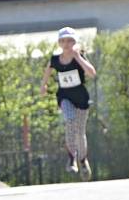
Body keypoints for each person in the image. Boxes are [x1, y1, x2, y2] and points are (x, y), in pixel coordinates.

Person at [40, 26, 97, 181]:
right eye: (63, 41)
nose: (66, 44)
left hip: (81, 98)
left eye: (70, 41)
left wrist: (78, 57)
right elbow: (48, 70)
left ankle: (83, 160)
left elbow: (92, 73)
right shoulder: (55, 59)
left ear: (74, 42)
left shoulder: (80, 57)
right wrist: (44, 85)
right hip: (64, 96)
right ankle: (71, 157)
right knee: (70, 121)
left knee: (79, 131)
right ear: (59, 43)